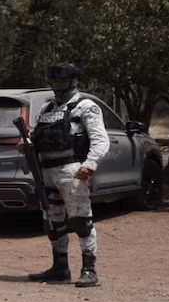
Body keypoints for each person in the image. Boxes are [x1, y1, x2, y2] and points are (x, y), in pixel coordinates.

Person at [25, 62, 109, 287]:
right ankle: (59, 268)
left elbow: (100, 139)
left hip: (72, 171)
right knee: (52, 222)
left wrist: (90, 164)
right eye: (55, 80)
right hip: (46, 172)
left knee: (80, 221)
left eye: (62, 80)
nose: (58, 84)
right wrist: (27, 143)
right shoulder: (47, 109)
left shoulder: (86, 106)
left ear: (73, 81)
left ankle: (89, 270)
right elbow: (38, 135)